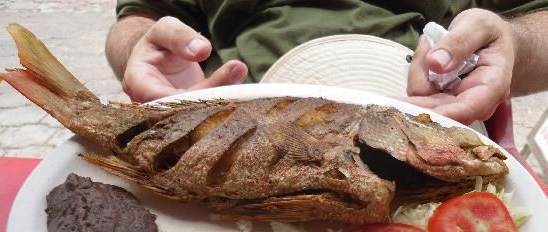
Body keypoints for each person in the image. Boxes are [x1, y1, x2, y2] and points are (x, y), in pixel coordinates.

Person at [105, 1, 548, 125]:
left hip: (432, 110)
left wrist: (511, 42)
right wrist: (144, 53)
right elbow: (138, 19)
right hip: (226, 117)